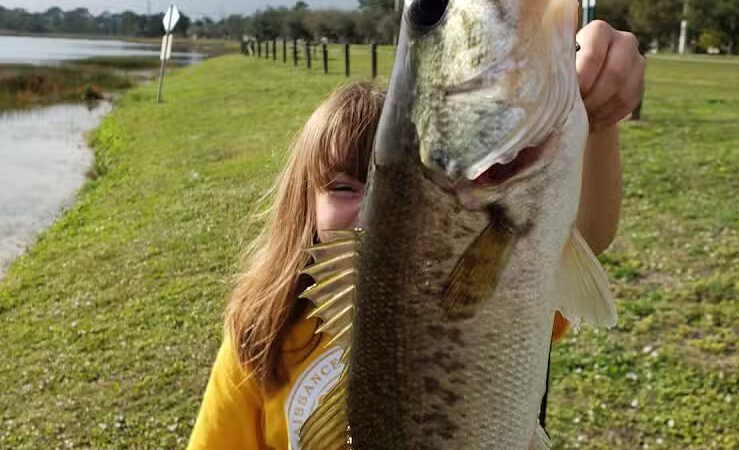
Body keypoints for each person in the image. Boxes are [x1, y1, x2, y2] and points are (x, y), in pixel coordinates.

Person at [187, 21, 645, 450]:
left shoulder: (501, 277)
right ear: (301, 205)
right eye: (345, 187)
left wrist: (599, 121)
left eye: (390, 189)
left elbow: (590, 234)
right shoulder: (258, 335)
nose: (369, 210)